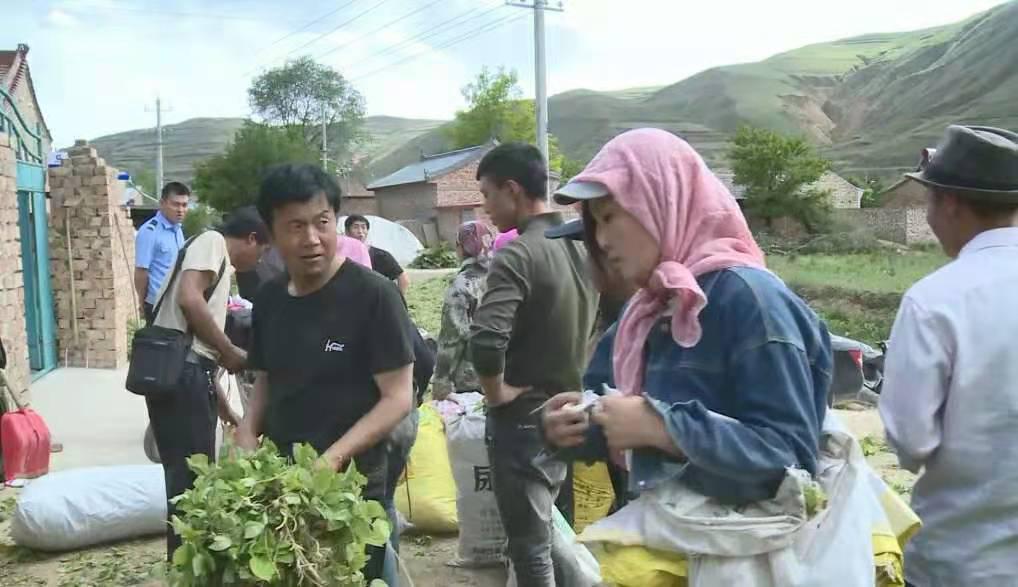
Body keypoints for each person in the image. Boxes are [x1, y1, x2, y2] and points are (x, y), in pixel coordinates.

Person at [542, 129, 833, 571]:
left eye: (609, 216)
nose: (599, 241)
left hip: (746, 566)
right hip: (669, 557)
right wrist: (571, 429)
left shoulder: (750, 302)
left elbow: (789, 459)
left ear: (663, 199)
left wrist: (664, 428)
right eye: (593, 223)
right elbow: (609, 412)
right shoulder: (646, 314)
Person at [236, 164, 415, 583]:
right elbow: (266, 376)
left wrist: (332, 458)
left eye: (322, 222)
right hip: (282, 486)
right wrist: (247, 429)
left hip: (351, 486)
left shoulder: (374, 295)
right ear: (273, 233)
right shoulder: (269, 298)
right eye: (296, 226)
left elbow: (398, 397)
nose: (312, 239)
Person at [879, 125, 1018, 587]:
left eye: (928, 201)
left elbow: (911, 442)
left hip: (962, 560)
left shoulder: (934, 300)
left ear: (951, 202)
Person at [468, 143, 597, 586]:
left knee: (529, 547)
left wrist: (495, 392)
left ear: (512, 189)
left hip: (524, 418)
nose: (485, 207)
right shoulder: (582, 246)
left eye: (487, 194)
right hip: (573, 409)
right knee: (555, 530)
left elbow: (485, 342)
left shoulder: (519, 253)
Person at [146, 205, 269, 561]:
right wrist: (229, 348)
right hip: (182, 376)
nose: (260, 260)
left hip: (188, 375)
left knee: (188, 476)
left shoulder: (219, 261)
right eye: (263, 251)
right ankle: (186, 563)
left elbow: (198, 353)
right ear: (250, 239)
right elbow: (189, 299)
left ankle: (185, 560)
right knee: (190, 482)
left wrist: (225, 409)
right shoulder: (213, 242)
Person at [432, 221, 498, 400]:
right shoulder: (502, 277)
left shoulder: (462, 286)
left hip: (472, 377)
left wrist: (441, 382)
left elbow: (452, 339)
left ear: (461, 248)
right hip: (504, 371)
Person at [135, 182, 189, 324]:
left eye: (184, 205)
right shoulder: (149, 231)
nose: (181, 210)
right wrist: (141, 303)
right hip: (157, 304)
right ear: (162, 203)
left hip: (176, 302)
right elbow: (141, 271)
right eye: (176, 204)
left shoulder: (178, 230)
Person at [345, 214, 410, 296]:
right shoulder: (341, 255)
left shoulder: (381, 255)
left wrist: (399, 301)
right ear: (347, 231)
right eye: (356, 227)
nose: (360, 231)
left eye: (363, 227)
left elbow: (403, 278)